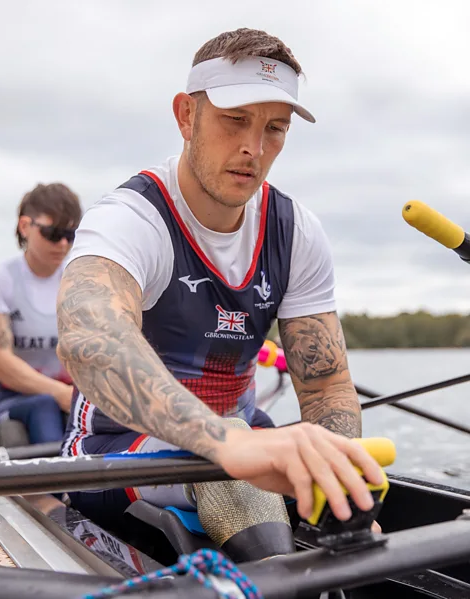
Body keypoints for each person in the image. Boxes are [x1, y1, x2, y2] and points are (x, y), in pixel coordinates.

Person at [56, 28, 383, 529]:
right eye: (236, 120)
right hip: (111, 452)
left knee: (347, 484)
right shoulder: (130, 217)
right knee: (235, 453)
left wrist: (339, 478)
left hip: (239, 441)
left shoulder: (297, 232)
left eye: (275, 128)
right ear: (187, 115)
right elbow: (89, 339)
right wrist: (225, 440)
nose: (254, 147)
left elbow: (326, 386)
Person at [0, 183, 83, 444]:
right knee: (45, 406)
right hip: (14, 400)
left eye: (70, 234)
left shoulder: (78, 279)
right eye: (53, 233)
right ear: (24, 227)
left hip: (67, 395)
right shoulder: (1, 279)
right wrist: (58, 392)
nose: (63, 244)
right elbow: (0, 362)